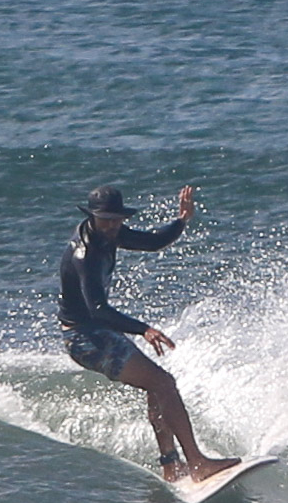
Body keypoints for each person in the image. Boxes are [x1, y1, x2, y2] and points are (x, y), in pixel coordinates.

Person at [58, 184, 239, 483]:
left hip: (96, 331)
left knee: (157, 386)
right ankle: (197, 464)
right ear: (93, 216)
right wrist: (144, 329)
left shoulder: (108, 233)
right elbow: (98, 309)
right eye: (107, 219)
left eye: (117, 218)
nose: (114, 224)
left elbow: (153, 242)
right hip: (84, 337)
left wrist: (182, 220)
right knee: (164, 383)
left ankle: (171, 466)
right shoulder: (85, 254)